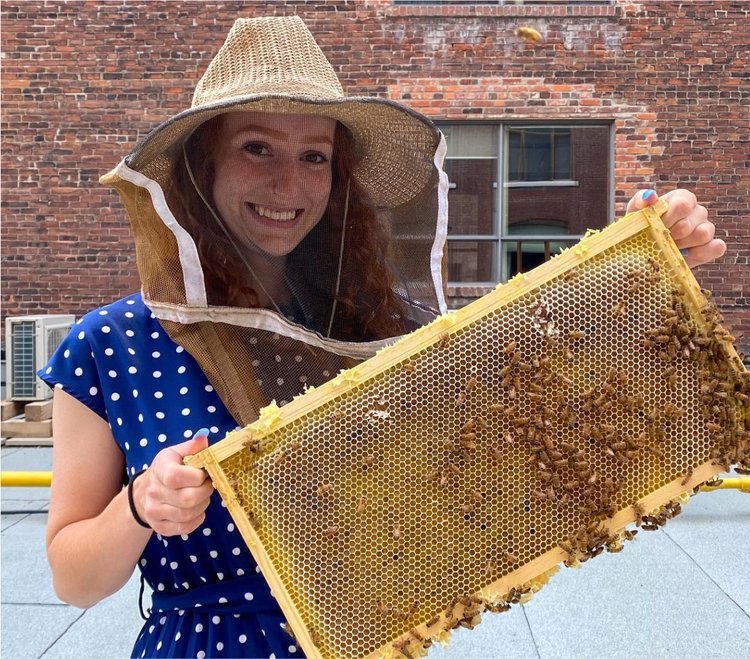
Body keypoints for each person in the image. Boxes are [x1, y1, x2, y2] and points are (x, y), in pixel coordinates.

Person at [39, 15, 726, 659]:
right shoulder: (112, 343)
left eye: (315, 156)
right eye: (257, 147)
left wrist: (642, 264)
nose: (289, 182)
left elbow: (535, 402)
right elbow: (72, 576)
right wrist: (141, 505)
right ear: (200, 166)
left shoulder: (378, 324)